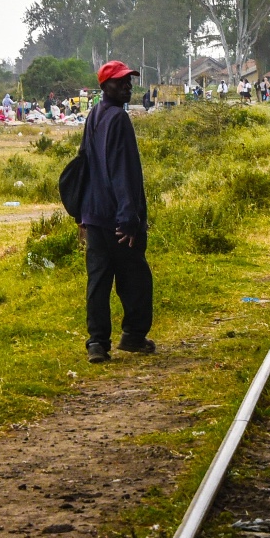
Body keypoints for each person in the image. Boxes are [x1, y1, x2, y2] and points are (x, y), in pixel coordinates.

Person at [78, 60, 154, 364]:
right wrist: (129, 218)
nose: (128, 87)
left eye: (129, 81)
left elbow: (83, 165)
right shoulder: (119, 120)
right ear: (104, 86)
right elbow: (122, 173)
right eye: (121, 82)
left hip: (94, 214)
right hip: (117, 218)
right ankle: (133, 336)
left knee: (98, 281)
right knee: (135, 278)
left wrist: (81, 214)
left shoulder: (94, 116)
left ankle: (97, 343)